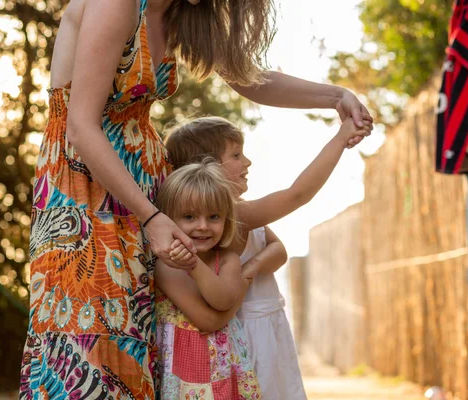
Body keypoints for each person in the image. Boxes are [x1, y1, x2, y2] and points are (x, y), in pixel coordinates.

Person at [20, 0, 373, 398]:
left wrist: (335, 96)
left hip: (148, 191)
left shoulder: (183, 13)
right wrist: (152, 218)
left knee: (140, 346)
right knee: (88, 347)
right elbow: (80, 127)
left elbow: (248, 77)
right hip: (85, 193)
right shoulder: (117, 4)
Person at [164, 115, 371, 398]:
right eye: (236, 155)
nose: (247, 162)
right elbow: (297, 194)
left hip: (264, 323)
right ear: (207, 165)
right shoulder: (234, 217)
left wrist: (249, 269)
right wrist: (340, 139)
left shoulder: (237, 212)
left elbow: (278, 250)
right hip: (247, 330)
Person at [154, 160, 262, 399]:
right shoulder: (166, 265)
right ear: (168, 219)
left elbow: (222, 300)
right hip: (180, 372)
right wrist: (241, 285)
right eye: (189, 216)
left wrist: (194, 266)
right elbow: (206, 320)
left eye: (214, 216)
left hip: (224, 370)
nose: (202, 226)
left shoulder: (226, 260)